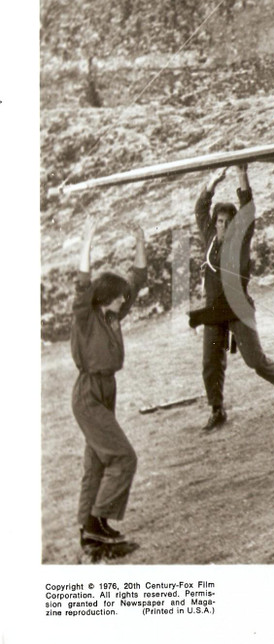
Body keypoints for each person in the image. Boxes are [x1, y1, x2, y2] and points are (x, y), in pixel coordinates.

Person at [191, 164, 274, 431]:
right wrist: (212, 182)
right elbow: (200, 209)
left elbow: (248, 208)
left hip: (238, 306)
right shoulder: (209, 238)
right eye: (219, 221)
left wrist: (242, 174)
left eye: (228, 221)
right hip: (214, 308)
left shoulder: (240, 238)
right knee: (210, 362)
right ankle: (217, 409)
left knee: (254, 359)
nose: (222, 225)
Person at [71, 221, 145, 548]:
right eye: (118, 297)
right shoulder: (86, 317)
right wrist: (88, 239)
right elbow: (82, 282)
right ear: (106, 297)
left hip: (106, 391)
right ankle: (97, 523)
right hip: (88, 393)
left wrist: (140, 239)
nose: (123, 300)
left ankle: (88, 528)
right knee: (124, 457)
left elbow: (138, 280)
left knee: (97, 462)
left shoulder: (113, 315)